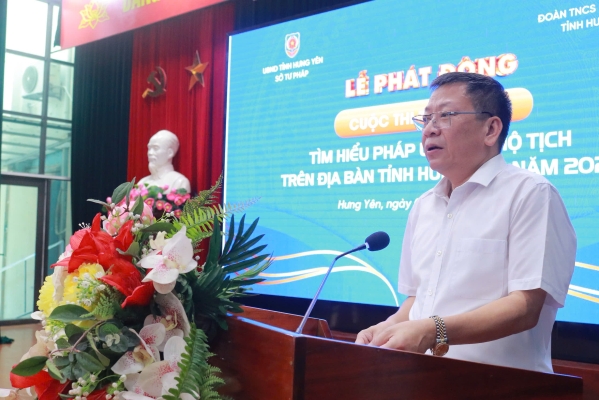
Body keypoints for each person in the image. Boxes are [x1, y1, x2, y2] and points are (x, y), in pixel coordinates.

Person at [355, 72, 576, 373]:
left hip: (502, 386)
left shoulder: (531, 194)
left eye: (445, 116)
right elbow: (418, 300)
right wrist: (385, 328)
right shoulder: (423, 206)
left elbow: (525, 306)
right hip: (421, 381)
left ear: (491, 129)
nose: (429, 130)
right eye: (426, 119)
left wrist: (433, 330)